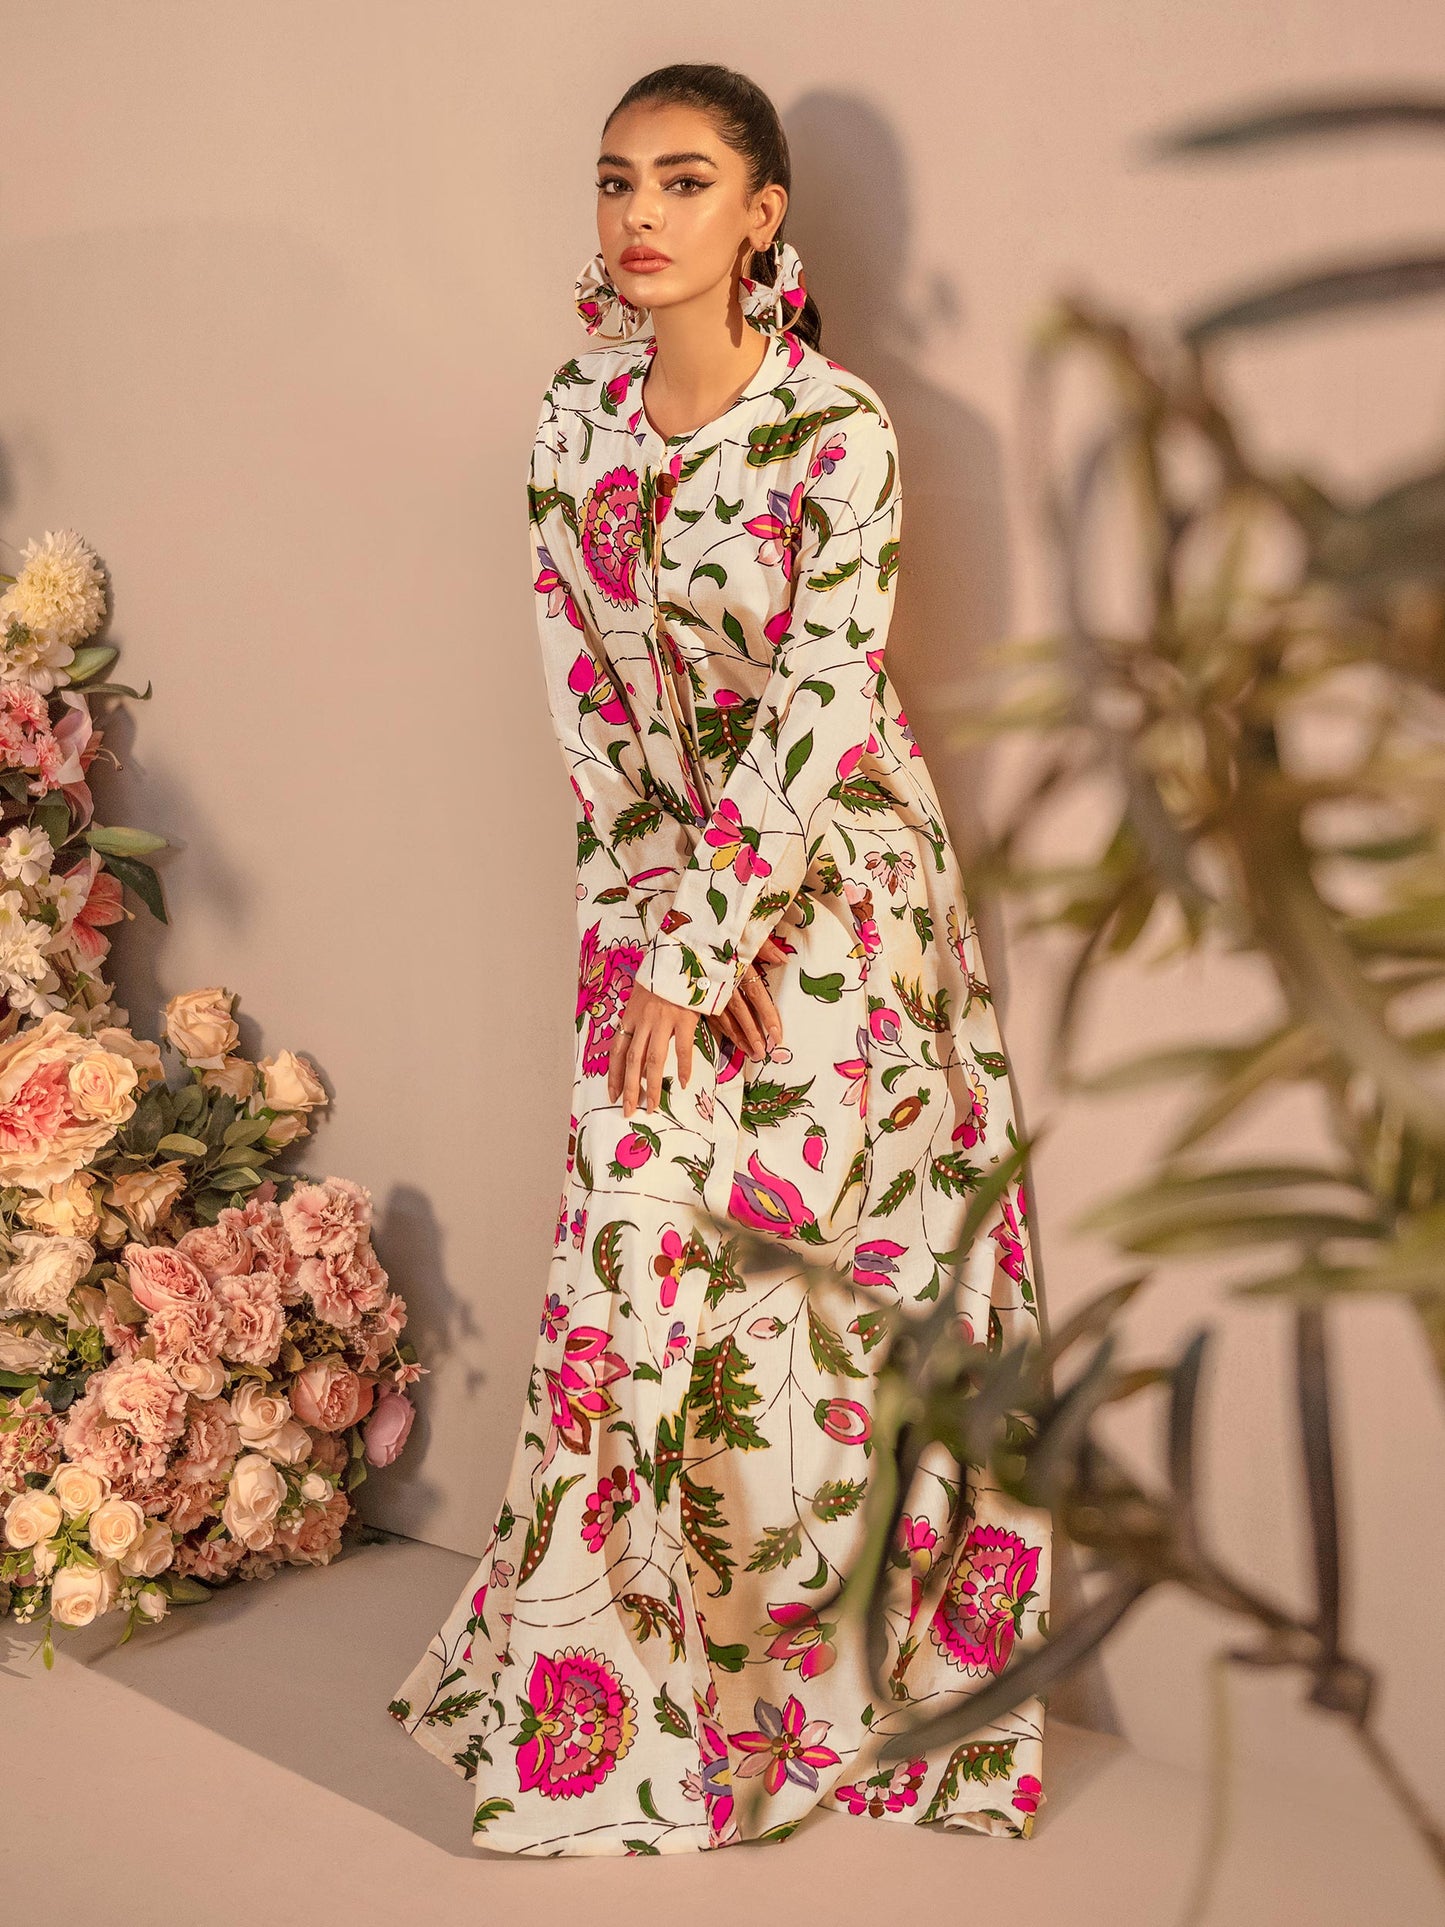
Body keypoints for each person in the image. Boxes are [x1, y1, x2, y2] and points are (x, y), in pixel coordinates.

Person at [389, 61, 1050, 1857]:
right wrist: (662, 927)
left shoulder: (838, 430)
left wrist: (721, 943)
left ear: (762, 215)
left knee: (815, 1299)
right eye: (616, 181)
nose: (639, 216)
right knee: (630, 1255)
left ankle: (827, 1700)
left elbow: (824, 703)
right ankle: (614, 1708)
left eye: (683, 182)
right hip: (656, 887)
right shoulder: (574, 417)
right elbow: (584, 696)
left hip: (841, 891)